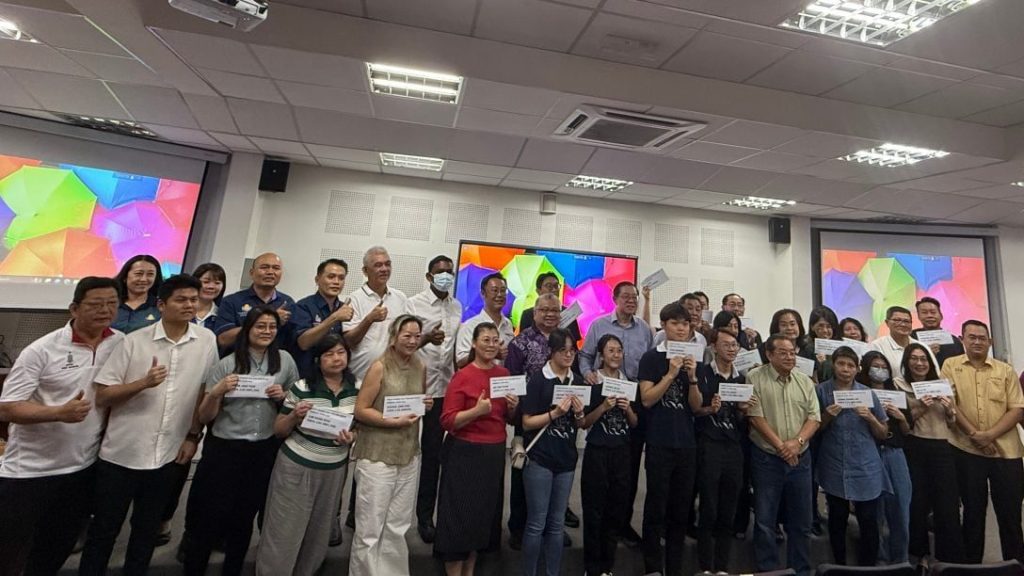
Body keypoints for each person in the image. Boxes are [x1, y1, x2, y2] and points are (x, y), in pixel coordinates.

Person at [79, 274, 219, 576]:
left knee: (146, 533)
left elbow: (202, 390)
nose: (189, 305)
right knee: (104, 531)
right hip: (122, 454)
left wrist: (193, 436)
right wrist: (142, 383)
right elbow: (103, 395)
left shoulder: (206, 340)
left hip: (168, 454)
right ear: (161, 304)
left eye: (193, 300)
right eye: (181, 299)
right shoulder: (133, 342)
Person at [0, 277, 123, 576]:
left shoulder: (120, 342)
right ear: (74, 309)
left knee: (58, 546)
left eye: (111, 304)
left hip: (82, 468)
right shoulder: (42, 350)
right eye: (96, 304)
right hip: (30, 471)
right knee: (9, 550)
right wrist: (58, 413)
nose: (105, 310)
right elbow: (6, 407)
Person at [182, 306, 299, 576]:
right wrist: (217, 393)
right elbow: (204, 416)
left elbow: (295, 401)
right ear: (247, 330)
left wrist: (283, 397)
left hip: (262, 449)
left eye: (272, 326)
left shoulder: (285, 360)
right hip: (225, 449)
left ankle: (233, 569)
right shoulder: (226, 363)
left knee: (244, 516)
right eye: (260, 326)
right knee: (209, 515)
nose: (267, 331)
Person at [254, 334, 358, 576]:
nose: (336, 359)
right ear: (318, 360)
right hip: (296, 466)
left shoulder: (358, 389)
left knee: (318, 532)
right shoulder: (302, 387)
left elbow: (360, 428)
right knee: (284, 530)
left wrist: (352, 437)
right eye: (329, 354)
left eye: (341, 353)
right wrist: (294, 416)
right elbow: (279, 430)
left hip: (334, 469)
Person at [433, 323, 519, 576]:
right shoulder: (462, 376)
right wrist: (476, 412)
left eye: (495, 340)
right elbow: (448, 420)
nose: (491, 345)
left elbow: (509, 419)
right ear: (473, 343)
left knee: (480, 519)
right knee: (458, 518)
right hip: (464, 454)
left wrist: (513, 407)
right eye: (485, 340)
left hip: (493, 454)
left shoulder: (504, 374)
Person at [350, 315, 430, 576]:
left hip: (408, 454)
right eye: (407, 335)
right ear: (394, 337)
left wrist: (425, 404)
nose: (412, 341)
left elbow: (416, 403)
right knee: (370, 529)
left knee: (397, 526)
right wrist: (391, 421)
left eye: (417, 336)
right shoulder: (379, 367)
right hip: (377, 455)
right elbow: (360, 410)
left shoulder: (421, 366)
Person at [944, 320, 1024, 564]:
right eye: (972, 337)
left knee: (1011, 515)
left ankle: (1016, 566)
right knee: (973, 513)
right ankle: (972, 566)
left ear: (990, 342)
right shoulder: (950, 366)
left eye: (982, 338)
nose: (977, 342)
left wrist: (989, 436)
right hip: (967, 450)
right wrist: (976, 436)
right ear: (962, 340)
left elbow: (1017, 408)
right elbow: (950, 403)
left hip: (1006, 452)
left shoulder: (1005, 370)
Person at [579, 281, 652, 546]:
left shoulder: (644, 329)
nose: (631, 301)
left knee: (628, 467)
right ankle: (599, 529)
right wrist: (588, 373)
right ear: (615, 299)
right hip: (603, 392)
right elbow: (585, 356)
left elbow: (649, 361)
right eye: (626, 297)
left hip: (634, 395)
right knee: (601, 470)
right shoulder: (599, 325)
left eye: (635, 297)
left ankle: (623, 523)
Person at [747, 334, 821, 576]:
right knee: (765, 520)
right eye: (783, 352)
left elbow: (814, 417)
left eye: (792, 352)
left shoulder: (804, 380)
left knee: (802, 521)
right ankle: (768, 570)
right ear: (769, 355)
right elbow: (755, 417)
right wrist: (782, 447)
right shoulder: (754, 377)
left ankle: (800, 570)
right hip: (767, 458)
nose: (789, 357)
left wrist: (797, 443)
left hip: (801, 458)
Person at [638, 302, 699, 576]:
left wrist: (692, 378)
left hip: (686, 443)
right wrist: (671, 374)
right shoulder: (651, 358)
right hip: (659, 441)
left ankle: (674, 568)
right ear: (664, 325)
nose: (681, 329)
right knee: (656, 506)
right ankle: (653, 567)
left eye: (685, 324)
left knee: (680, 510)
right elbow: (647, 399)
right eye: (675, 323)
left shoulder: (693, 358)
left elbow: (696, 407)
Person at [406, 255, 461, 544]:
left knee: (432, 456)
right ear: (429, 276)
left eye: (449, 271)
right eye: (440, 272)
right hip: (413, 388)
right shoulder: (413, 304)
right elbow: (401, 342)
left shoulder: (457, 306)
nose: (445, 276)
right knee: (401, 450)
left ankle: (425, 517)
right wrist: (427, 337)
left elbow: (454, 350)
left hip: (443, 391)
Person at [520, 329, 584, 576]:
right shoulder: (539, 380)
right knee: (537, 523)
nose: (568, 355)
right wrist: (554, 413)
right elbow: (527, 423)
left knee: (557, 524)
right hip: (540, 458)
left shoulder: (577, 381)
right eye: (562, 351)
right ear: (551, 352)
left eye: (572, 351)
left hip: (566, 459)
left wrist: (579, 413)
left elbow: (580, 424)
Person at [816, 347, 888, 566]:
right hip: (834, 464)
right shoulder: (821, 391)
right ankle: (839, 566)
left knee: (868, 520)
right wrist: (827, 416)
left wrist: (870, 418)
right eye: (841, 364)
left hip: (865, 466)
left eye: (850, 365)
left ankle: (868, 568)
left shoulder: (867, 393)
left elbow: (883, 433)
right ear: (833, 365)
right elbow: (814, 429)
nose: (845, 369)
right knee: (837, 519)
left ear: (857, 369)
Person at [505, 293, 566, 550]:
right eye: (545, 310)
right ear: (535, 312)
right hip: (528, 417)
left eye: (555, 310)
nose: (550, 314)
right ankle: (519, 528)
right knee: (523, 471)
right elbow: (512, 380)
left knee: (556, 474)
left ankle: (552, 529)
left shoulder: (564, 341)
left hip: (560, 418)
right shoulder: (520, 343)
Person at [688, 328, 748, 575]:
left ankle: (722, 567)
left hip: (733, 447)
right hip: (709, 444)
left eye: (734, 345)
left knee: (728, 508)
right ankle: (705, 566)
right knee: (709, 508)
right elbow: (695, 411)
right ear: (713, 347)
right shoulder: (703, 373)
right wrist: (709, 409)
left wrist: (744, 409)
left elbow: (741, 419)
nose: (731, 349)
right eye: (726, 345)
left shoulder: (741, 378)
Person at [899, 342, 962, 567]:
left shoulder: (942, 385)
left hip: (942, 446)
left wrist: (950, 410)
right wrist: (921, 406)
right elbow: (904, 423)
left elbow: (952, 423)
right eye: (914, 359)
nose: (919, 363)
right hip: (915, 446)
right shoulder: (899, 385)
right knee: (917, 503)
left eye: (923, 359)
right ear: (907, 362)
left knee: (948, 504)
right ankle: (920, 557)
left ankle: (949, 559)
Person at [580, 334, 638, 576]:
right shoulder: (593, 382)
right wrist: (603, 407)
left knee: (616, 509)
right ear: (601, 355)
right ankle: (592, 567)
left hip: (622, 452)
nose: (616, 355)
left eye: (619, 350)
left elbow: (634, 423)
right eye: (611, 350)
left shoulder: (628, 383)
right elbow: (583, 423)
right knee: (595, 510)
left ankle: (608, 566)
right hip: (598, 451)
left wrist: (628, 409)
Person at [857, 351, 912, 565]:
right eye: (875, 366)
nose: (879, 370)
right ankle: (879, 560)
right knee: (875, 511)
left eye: (883, 367)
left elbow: (907, 430)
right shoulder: (859, 393)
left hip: (894, 453)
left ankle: (901, 560)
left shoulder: (895, 393)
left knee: (900, 508)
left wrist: (900, 417)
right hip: (869, 453)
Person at [216, 253, 295, 350]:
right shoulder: (232, 301)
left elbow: (294, 341)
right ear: (251, 272)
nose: (270, 272)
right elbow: (223, 340)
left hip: (275, 358)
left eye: (276, 268)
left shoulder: (288, 302)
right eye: (264, 267)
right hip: (239, 357)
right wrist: (270, 320)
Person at [293, 258, 355, 381]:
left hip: (337, 376)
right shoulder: (303, 306)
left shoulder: (345, 308)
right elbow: (303, 343)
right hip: (309, 375)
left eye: (341, 278)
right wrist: (334, 318)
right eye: (331, 277)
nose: (336, 282)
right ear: (317, 280)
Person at [455, 273, 514, 368]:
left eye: (503, 291)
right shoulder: (470, 326)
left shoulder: (508, 324)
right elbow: (460, 362)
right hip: (478, 377)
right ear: (483, 293)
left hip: (504, 376)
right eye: (494, 290)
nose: (499, 295)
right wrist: (491, 354)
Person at [871, 306, 937, 387]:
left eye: (906, 321)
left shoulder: (922, 346)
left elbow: (935, 372)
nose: (903, 324)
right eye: (897, 320)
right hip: (891, 391)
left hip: (923, 390)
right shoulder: (877, 346)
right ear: (887, 322)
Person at [518, 272, 581, 342]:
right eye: (549, 286)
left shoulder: (569, 313)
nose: (554, 289)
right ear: (538, 291)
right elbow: (522, 342)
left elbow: (574, 344)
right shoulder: (528, 315)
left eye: (556, 286)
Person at [112, 254, 162, 333]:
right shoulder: (110, 304)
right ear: (125, 277)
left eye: (150, 274)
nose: (144, 279)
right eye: (138, 274)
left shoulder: (160, 307)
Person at [912, 297, 965, 369]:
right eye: (924, 312)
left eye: (933, 312)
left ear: (941, 316)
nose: (929, 316)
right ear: (919, 316)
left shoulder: (955, 341)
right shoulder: (912, 338)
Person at [802, 306, 839, 383]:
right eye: (821, 326)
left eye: (829, 326)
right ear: (812, 327)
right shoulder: (807, 348)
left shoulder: (840, 347)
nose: (825, 330)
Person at [192, 262, 226, 331]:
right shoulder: (182, 308)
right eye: (206, 282)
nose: (211, 287)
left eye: (217, 283)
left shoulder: (224, 313)